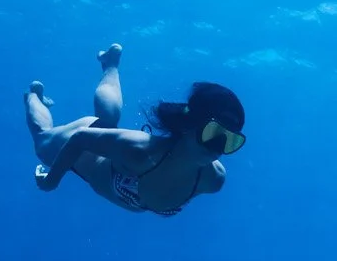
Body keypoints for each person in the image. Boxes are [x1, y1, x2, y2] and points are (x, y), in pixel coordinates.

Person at [26, 44, 246, 217]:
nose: (218, 147)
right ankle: (33, 95)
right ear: (189, 125)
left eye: (230, 141)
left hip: (106, 144)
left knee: (107, 119)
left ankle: (110, 63)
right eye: (213, 133)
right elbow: (80, 138)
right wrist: (52, 180)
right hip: (82, 154)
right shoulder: (141, 150)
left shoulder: (213, 180)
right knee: (41, 139)